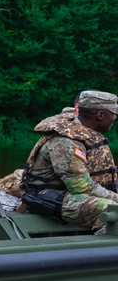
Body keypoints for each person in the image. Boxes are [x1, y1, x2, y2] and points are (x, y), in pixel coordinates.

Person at [21, 89, 118, 229]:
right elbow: (81, 187)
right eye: (114, 114)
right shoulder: (66, 142)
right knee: (113, 209)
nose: (114, 118)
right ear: (100, 115)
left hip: (70, 192)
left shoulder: (81, 129)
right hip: (50, 196)